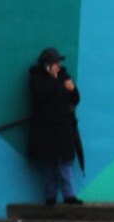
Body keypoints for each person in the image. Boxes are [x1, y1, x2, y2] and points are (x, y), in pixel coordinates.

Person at [27, 47, 84, 206]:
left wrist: (73, 90)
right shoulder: (36, 79)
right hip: (45, 129)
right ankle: (50, 197)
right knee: (48, 165)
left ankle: (69, 196)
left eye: (58, 62)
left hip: (63, 129)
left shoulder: (64, 77)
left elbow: (75, 99)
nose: (58, 65)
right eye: (54, 62)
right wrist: (54, 81)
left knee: (65, 163)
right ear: (46, 65)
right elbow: (40, 97)